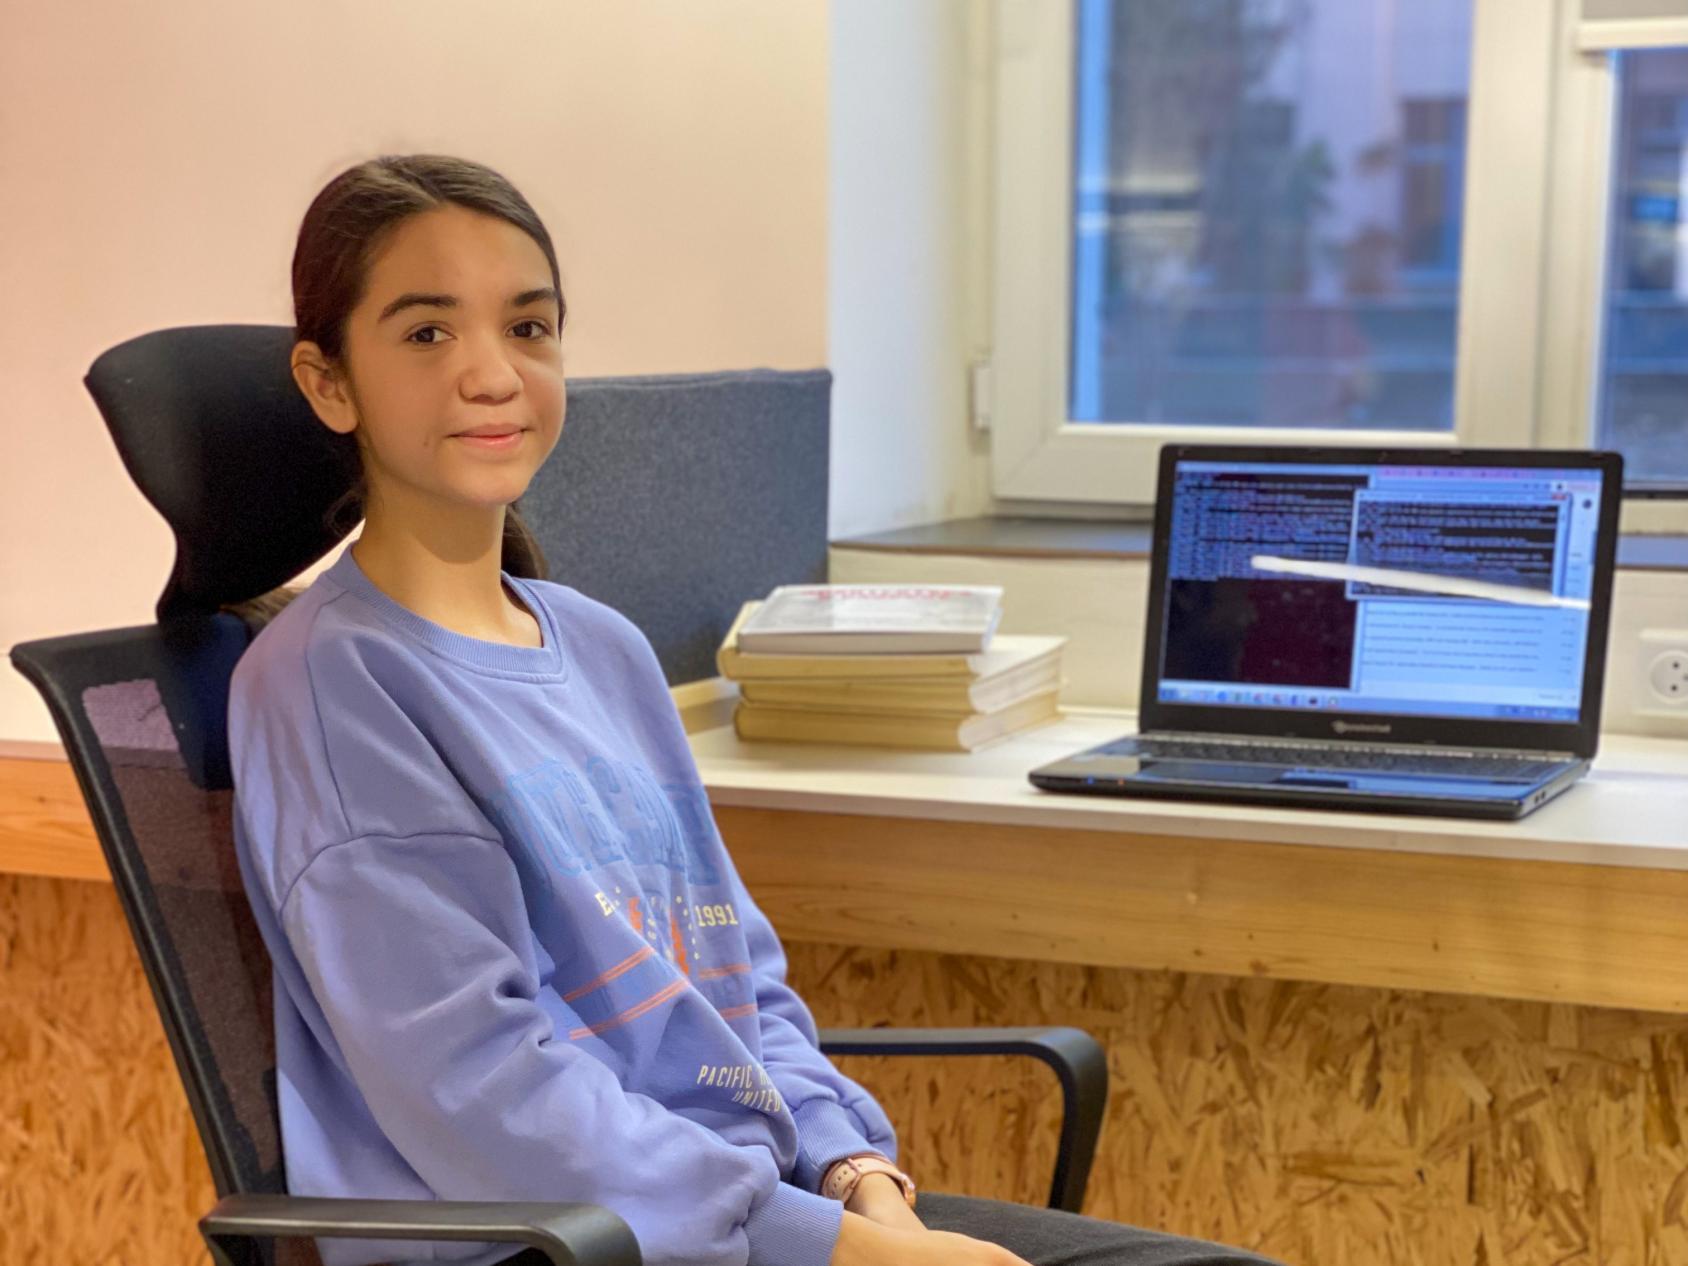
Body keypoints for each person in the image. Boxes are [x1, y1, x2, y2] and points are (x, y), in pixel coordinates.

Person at [226, 153, 1282, 1266]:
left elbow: (731, 977)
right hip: (565, 1244)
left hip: (750, 1214)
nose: (492, 374)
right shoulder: (331, 684)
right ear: (328, 380)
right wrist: (833, 1247)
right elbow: (482, 1094)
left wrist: (854, 1173)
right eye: (428, 333)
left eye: (528, 328)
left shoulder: (600, 646)